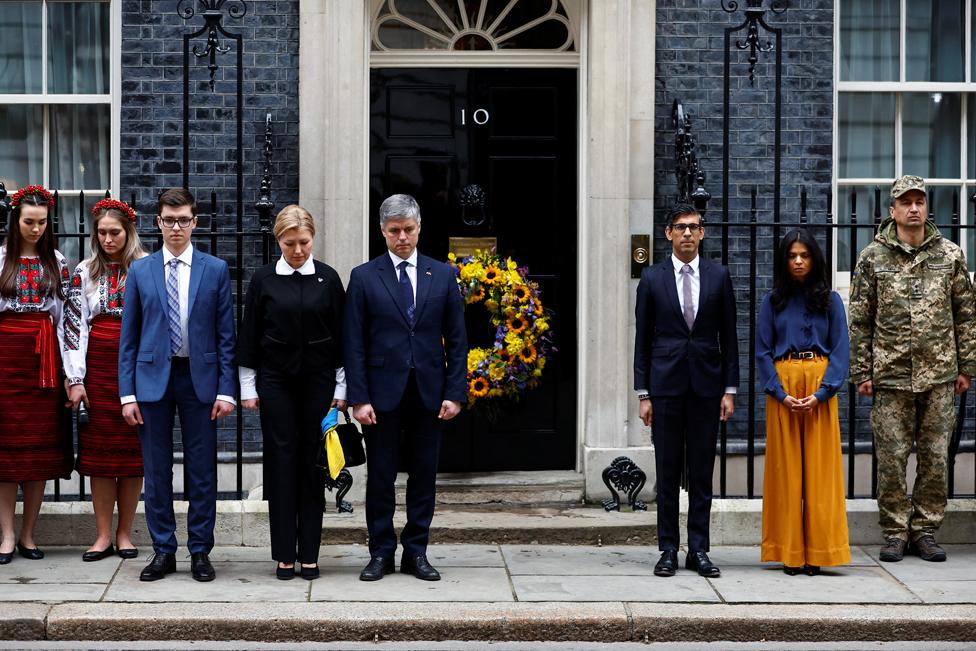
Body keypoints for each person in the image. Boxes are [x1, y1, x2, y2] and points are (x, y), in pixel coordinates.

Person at [849, 175, 976, 564]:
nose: (914, 208)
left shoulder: (950, 255)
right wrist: (861, 371)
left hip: (940, 375)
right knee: (890, 459)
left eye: (920, 201)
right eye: (906, 202)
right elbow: (858, 318)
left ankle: (925, 530)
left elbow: (966, 315)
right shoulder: (873, 257)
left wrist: (967, 365)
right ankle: (893, 531)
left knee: (936, 458)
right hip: (889, 377)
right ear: (893, 210)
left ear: (927, 207)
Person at [344, 193, 467, 582]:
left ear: (419, 227)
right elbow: (354, 342)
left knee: (423, 475)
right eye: (394, 231)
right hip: (381, 395)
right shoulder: (364, 277)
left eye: (408, 230)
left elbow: (457, 339)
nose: (402, 238)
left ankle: (417, 551)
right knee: (381, 475)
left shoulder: (442, 275)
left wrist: (455, 392)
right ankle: (380, 551)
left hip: (429, 391)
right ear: (382, 231)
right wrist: (358, 398)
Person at [118, 188, 237, 582]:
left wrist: (225, 389)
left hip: (199, 381)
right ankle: (163, 550)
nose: (176, 227)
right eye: (169, 220)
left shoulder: (215, 269)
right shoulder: (140, 270)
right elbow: (129, 337)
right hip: (152, 382)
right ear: (158, 223)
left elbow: (225, 336)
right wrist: (127, 393)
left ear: (195, 222)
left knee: (203, 472)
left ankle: (200, 551)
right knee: (156, 471)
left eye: (184, 219)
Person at [238, 205, 347, 581]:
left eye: (303, 242)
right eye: (289, 243)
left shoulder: (329, 280)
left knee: (313, 465)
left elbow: (342, 339)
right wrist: (248, 388)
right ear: (278, 241)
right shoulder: (264, 280)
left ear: (312, 239)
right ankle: (285, 553)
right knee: (281, 465)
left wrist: (342, 388)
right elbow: (249, 337)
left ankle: (311, 553)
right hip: (276, 383)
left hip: (318, 383)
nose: (297, 250)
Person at [633, 203, 738, 578]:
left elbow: (730, 336)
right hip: (665, 388)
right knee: (668, 471)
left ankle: (699, 549)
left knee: (701, 475)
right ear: (668, 233)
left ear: (702, 233)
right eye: (681, 228)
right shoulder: (652, 279)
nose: (688, 234)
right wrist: (643, 393)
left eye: (694, 227)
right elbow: (642, 340)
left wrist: (729, 390)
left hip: (707, 388)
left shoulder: (719, 276)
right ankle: (667, 549)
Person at [756, 229, 851, 575]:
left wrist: (823, 392)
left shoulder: (831, 301)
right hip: (783, 389)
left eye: (805, 255)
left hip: (818, 387)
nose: (798, 261)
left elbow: (841, 350)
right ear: (784, 260)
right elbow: (762, 352)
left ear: (815, 259)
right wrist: (780, 394)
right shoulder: (772, 301)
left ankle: (819, 552)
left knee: (820, 473)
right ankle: (790, 552)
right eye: (792, 256)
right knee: (786, 473)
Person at [61, 198, 147, 562]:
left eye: (115, 232)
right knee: (99, 456)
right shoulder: (85, 271)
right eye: (102, 233)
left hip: (137, 369)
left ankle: (125, 534)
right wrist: (75, 378)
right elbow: (73, 325)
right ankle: (101, 536)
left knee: (132, 456)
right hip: (97, 364)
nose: (108, 239)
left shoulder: (146, 268)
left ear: (129, 233)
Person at [0, 185, 71, 565]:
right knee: (7, 454)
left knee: (38, 452)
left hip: (44, 364)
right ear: (16, 220)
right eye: (29, 221)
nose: (36, 229)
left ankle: (28, 533)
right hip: (6, 361)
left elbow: (62, 321)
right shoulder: (0, 259)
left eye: (42, 222)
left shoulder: (56, 261)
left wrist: (67, 373)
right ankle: (7, 534)